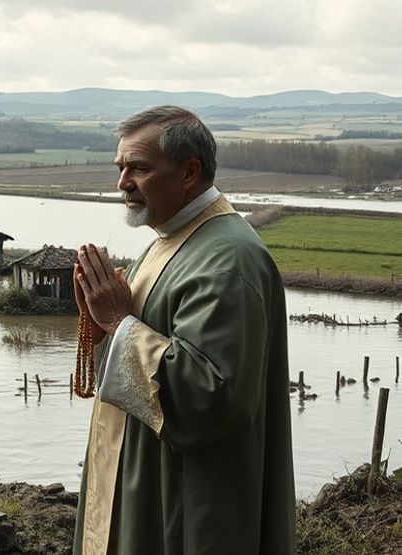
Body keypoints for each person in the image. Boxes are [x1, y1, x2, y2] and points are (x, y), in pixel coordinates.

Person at [71, 106, 295, 554]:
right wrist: (98, 327)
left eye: (139, 168)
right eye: (120, 168)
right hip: (143, 480)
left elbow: (209, 397)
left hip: (183, 509)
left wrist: (118, 323)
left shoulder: (227, 260)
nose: (122, 183)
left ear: (189, 171)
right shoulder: (171, 240)